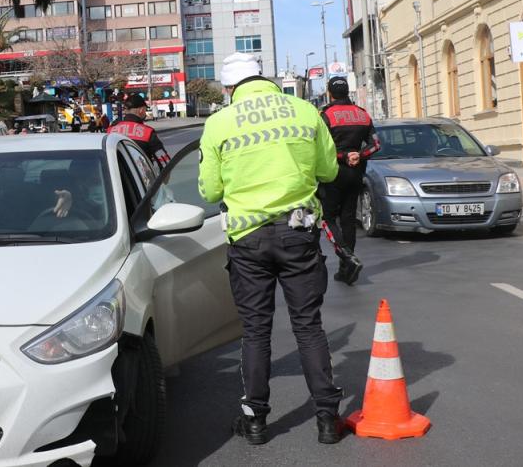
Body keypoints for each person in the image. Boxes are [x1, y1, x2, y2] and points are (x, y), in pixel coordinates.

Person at [198, 52, 345, 446]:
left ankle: (256, 421)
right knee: (308, 325)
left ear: (230, 89)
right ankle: (328, 418)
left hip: (247, 240)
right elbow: (329, 171)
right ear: (263, 78)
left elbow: (210, 191)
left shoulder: (218, 124)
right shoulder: (304, 111)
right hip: (299, 233)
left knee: (256, 331)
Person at [319, 77, 380, 285]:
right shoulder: (362, 114)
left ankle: (347, 257)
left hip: (333, 173)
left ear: (330, 92)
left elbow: (320, 149)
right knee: (348, 220)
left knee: (327, 218)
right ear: (348, 92)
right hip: (356, 173)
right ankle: (346, 269)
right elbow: (376, 145)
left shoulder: (325, 115)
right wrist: (359, 155)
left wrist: (343, 156)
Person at [107, 94, 171, 166]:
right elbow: (164, 161)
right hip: (141, 175)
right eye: (145, 110)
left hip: (114, 175)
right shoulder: (147, 132)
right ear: (141, 110)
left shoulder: (111, 130)